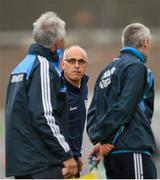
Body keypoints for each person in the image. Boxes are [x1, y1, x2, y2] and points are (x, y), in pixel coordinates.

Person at [5, 11, 78, 179]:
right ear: (58, 42)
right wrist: (66, 154)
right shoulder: (43, 67)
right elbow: (43, 115)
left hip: (23, 164)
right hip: (41, 163)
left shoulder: (20, 67)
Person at [87, 23, 157, 179]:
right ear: (145, 42)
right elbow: (124, 107)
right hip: (133, 149)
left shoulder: (105, 71)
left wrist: (99, 141)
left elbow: (92, 113)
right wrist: (106, 139)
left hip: (111, 155)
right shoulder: (137, 67)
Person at [61, 45, 89, 177]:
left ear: (86, 66)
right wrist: (66, 158)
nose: (76, 65)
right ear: (63, 64)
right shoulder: (56, 91)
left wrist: (77, 155)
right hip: (60, 162)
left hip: (74, 159)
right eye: (71, 61)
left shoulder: (84, 87)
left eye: (81, 61)